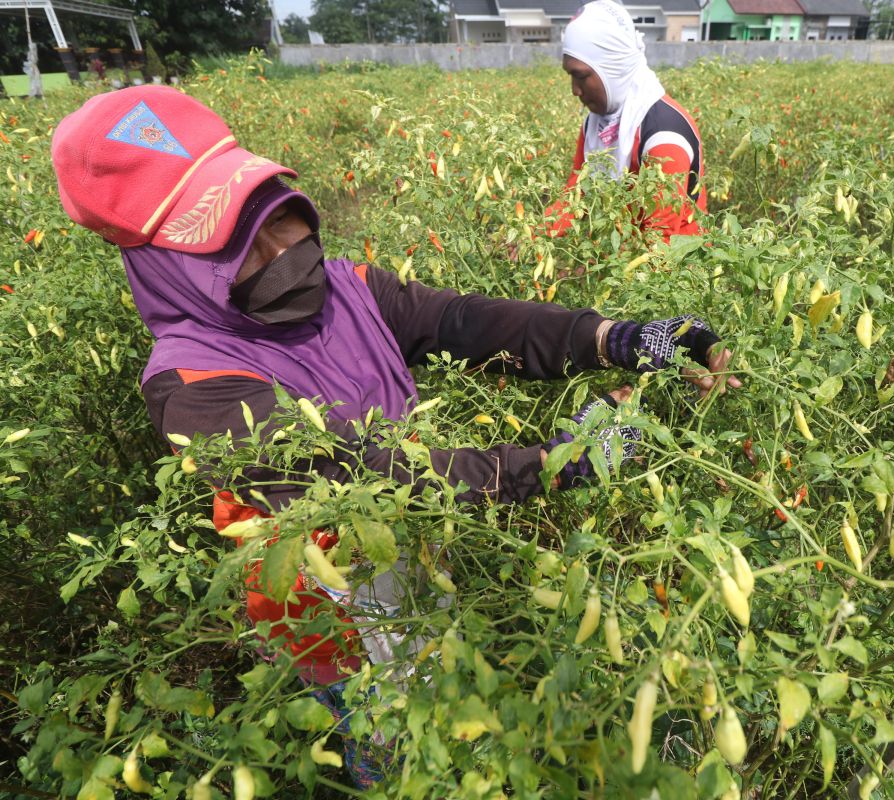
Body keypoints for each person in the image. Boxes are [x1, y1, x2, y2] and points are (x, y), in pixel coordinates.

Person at [50, 85, 740, 785]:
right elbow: (367, 480)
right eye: (237, 247)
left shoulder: (346, 287)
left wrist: (619, 338)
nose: (284, 250)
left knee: (444, 708)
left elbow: (468, 322)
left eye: (278, 217)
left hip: (422, 563)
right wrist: (560, 461)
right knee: (397, 754)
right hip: (332, 622)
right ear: (171, 267)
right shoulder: (192, 385)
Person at [547, 0, 706, 241]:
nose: (575, 90)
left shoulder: (664, 135)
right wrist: (537, 235)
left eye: (580, 76)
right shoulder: (596, 124)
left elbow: (659, 240)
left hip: (672, 268)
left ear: (612, 68)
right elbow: (577, 191)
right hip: (618, 257)